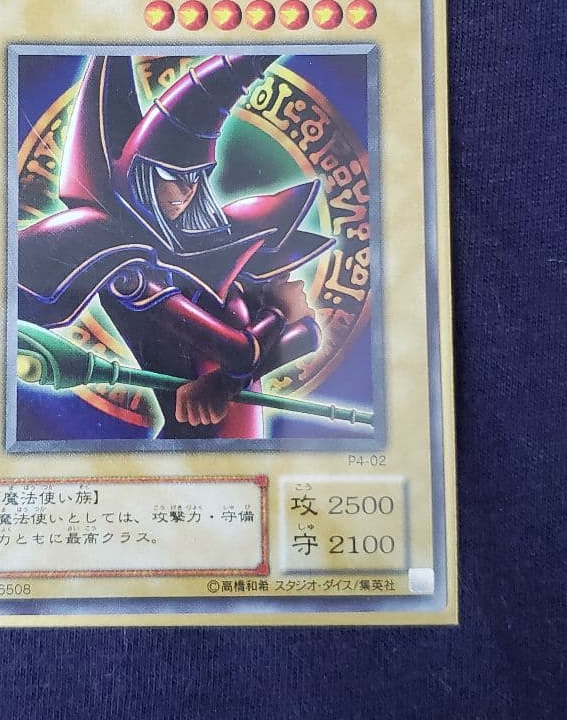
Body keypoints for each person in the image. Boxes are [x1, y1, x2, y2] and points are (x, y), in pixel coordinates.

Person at [18, 54, 332, 439]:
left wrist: (226, 381)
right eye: (171, 176)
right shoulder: (130, 273)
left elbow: (307, 335)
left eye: (196, 177)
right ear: (140, 178)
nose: (188, 190)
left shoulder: (211, 250)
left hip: (243, 447)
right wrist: (277, 313)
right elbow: (238, 351)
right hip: (190, 446)